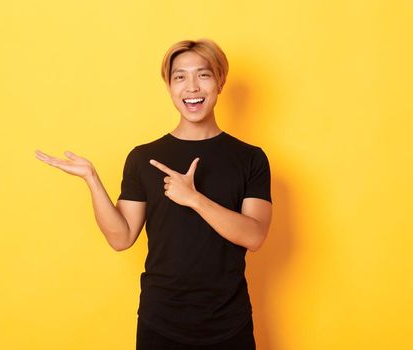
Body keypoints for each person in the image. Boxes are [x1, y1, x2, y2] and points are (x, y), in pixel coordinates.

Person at [34, 38, 272, 349]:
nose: (192, 87)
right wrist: (92, 179)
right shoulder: (143, 158)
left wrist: (194, 198)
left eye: (203, 75)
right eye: (180, 77)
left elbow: (254, 236)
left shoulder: (250, 158)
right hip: (161, 323)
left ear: (220, 82)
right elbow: (121, 238)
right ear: (169, 86)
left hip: (229, 323)